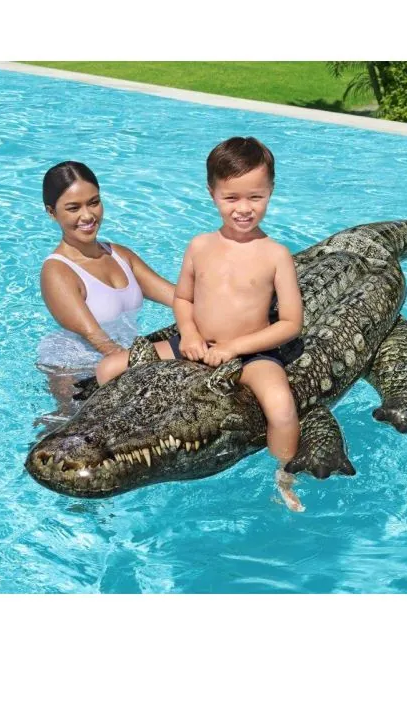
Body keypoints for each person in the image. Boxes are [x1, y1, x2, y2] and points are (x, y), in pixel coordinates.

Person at [96, 137, 305, 511]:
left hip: (250, 355)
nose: (244, 208)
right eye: (231, 198)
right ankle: (107, 435)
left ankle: (284, 476)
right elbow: (183, 299)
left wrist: (234, 348)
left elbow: (290, 323)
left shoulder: (276, 255)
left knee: (282, 408)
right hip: (193, 344)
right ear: (212, 194)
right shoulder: (200, 246)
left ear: (271, 191)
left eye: (255, 197)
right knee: (109, 367)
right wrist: (190, 334)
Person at [37, 161, 175, 416]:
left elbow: (179, 297)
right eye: (73, 208)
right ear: (52, 212)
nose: (87, 216)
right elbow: (98, 339)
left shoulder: (120, 255)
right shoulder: (57, 271)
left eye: (94, 202)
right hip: (74, 369)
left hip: (119, 359)